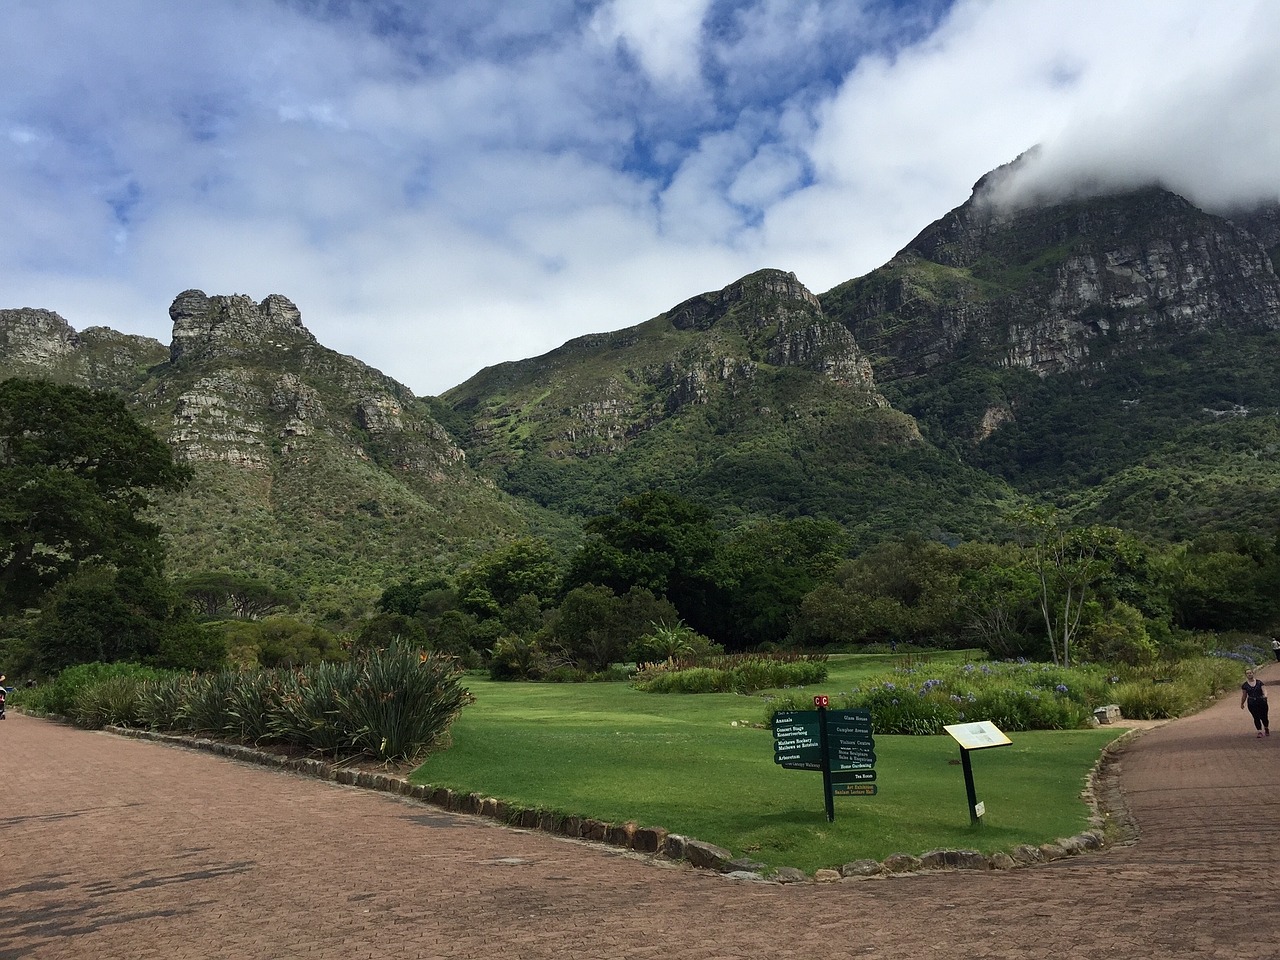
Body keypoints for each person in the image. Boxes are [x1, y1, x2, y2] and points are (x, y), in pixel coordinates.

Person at [1240, 668, 1269, 738]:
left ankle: (1266, 727)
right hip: (1252, 702)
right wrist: (1242, 703)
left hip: (1261, 701)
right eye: (1247, 673)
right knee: (1256, 717)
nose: (1249, 674)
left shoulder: (1259, 682)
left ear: (1253, 673)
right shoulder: (1245, 685)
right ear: (1246, 675)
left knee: (1264, 716)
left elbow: (1264, 690)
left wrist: (1265, 696)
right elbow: (1244, 695)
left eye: (1250, 673)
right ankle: (1259, 731)